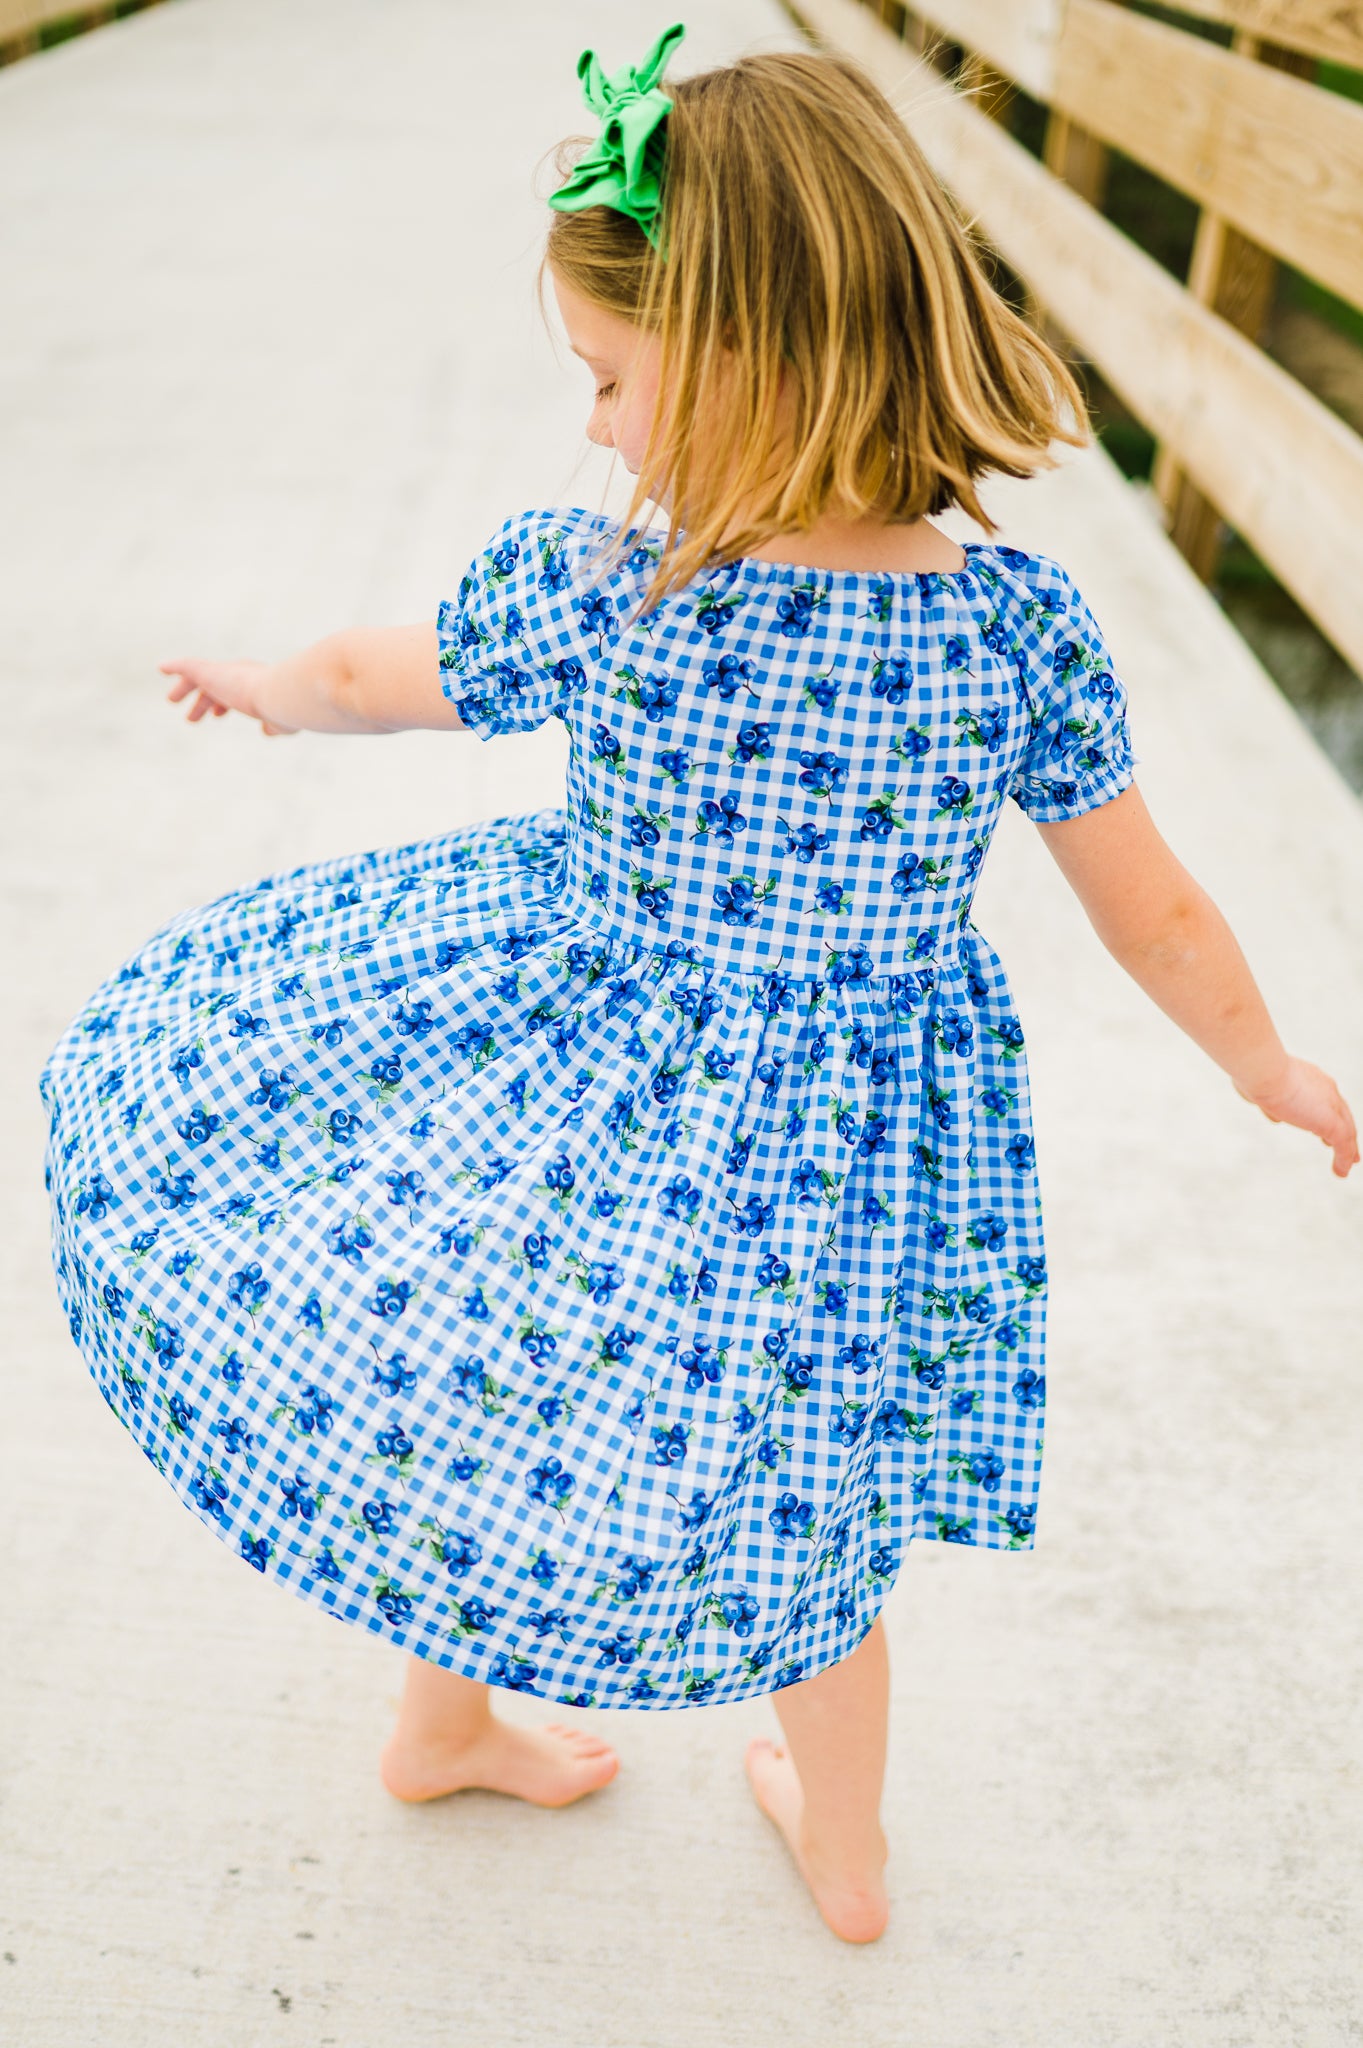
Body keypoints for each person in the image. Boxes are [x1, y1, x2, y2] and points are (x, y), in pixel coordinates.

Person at [39, 24, 1357, 1946]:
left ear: (753, 364)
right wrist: (1263, 1061)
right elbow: (1148, 907)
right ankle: (846, 1850)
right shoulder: (1009, 632)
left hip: (592, 1079)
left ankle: (444, 1720)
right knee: (821, 1503)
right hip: (836, 1162)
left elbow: (372, 675)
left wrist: (266, 688)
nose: (591, 425)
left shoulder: (620, 587)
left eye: (608, 376)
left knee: (499, 1381)